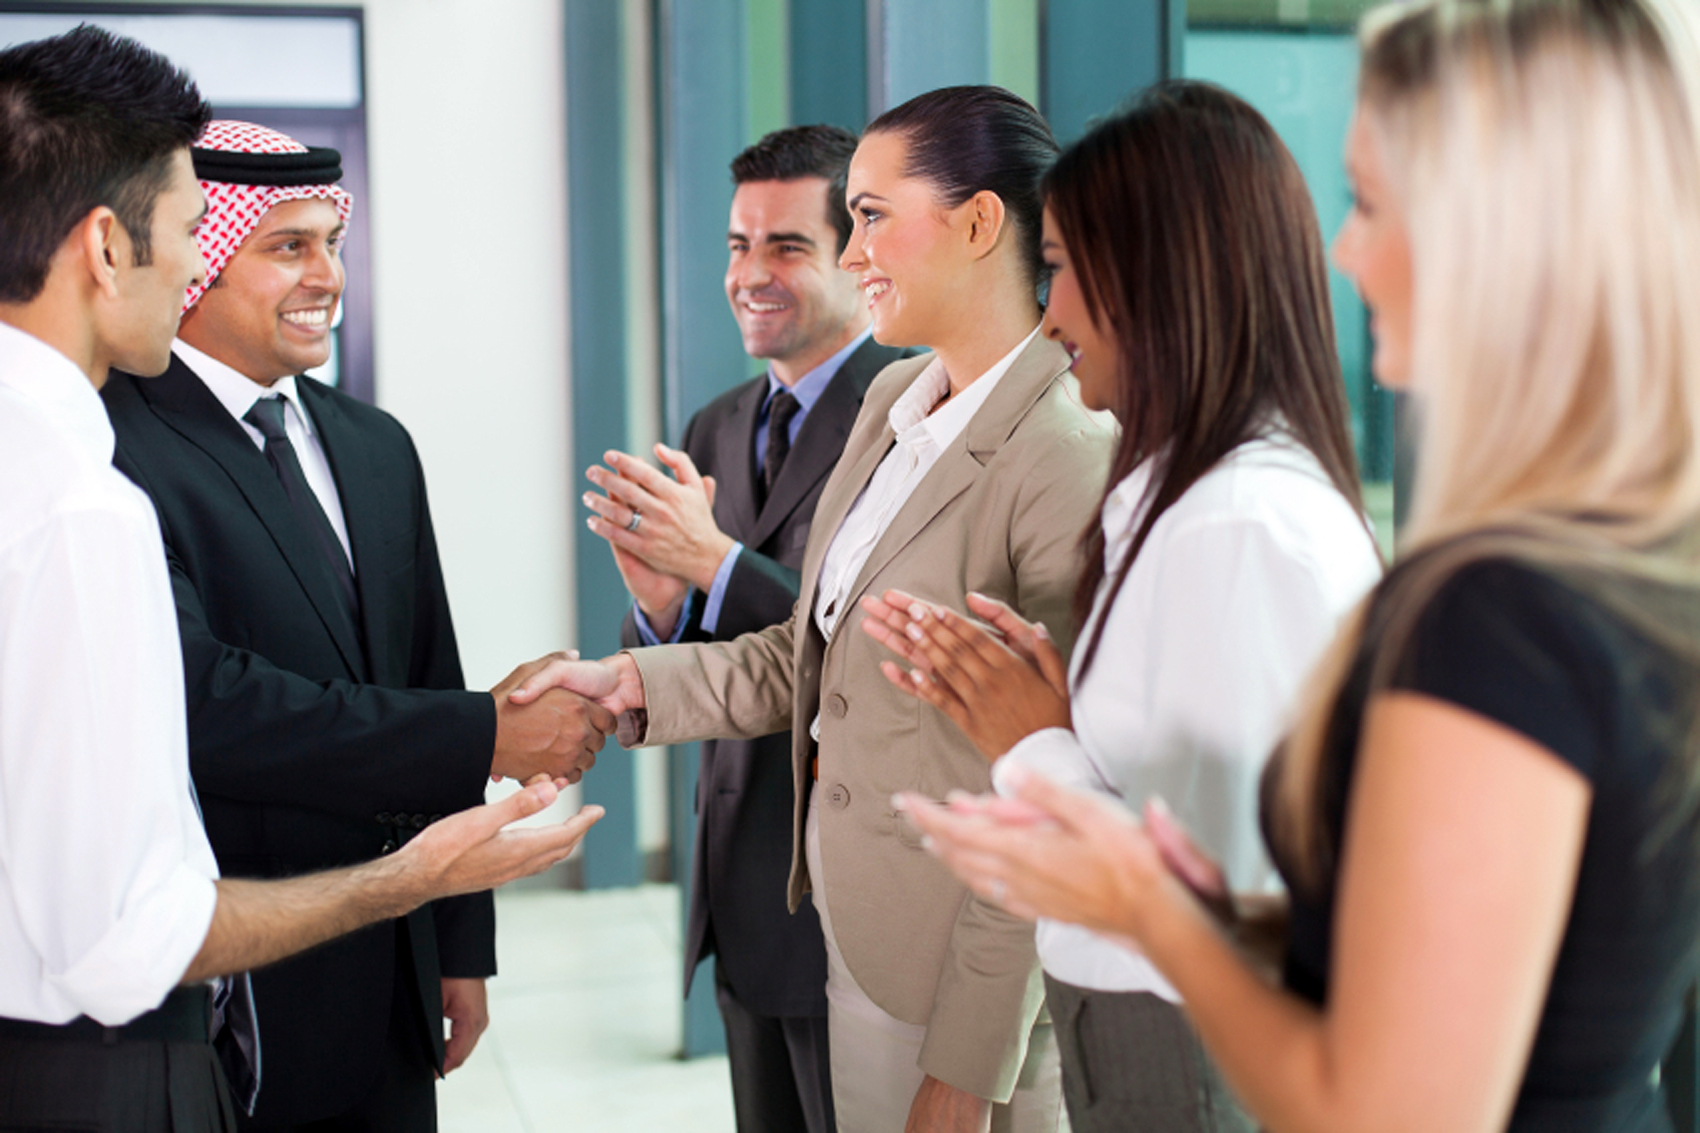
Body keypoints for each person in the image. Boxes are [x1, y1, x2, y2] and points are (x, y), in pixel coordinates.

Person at [897, 0, 1700, 1129]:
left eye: (1370, 202)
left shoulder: (1494, 614)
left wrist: (1142, 895)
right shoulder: (1623, 563)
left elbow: (1386, 1105)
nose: (1340, 250)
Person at [0, 25, 602, 1133]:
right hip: (237, 976)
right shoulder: (107, 455)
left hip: (385, 970)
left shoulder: (375, 443)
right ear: (150, 251)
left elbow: (428, 664)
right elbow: (210, 704)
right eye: (283, 245)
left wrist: (455, 937)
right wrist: (486, 734)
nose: (325, 275)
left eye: (333, 241)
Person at [522, 85, 1115, 1132]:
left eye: (872, 218)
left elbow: (1050, 793)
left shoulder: (1061, 454)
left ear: (980, 224)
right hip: (857, 952)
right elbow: (811, 659)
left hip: (971, 998)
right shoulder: (897, 402)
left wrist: (967, 1064)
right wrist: (628, 680)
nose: (851, 256)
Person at [859, 81, 1381, 1133]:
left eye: (1059, 270)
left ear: (1159, 277)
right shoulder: (1187, 500)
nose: (1047, 314)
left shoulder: (1238, 529)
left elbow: (1218, 904)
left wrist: (1031, 744)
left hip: (1181, 1039)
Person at [582, 123, 909, 1133]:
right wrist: (665, 606)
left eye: (785, 248)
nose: (750, 275)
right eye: (737, 245)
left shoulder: (904, 415)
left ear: (854, 258)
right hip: (736, 886)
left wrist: (714, 564)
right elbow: (707, 643)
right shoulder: (716, 423)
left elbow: (867, 643)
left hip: (842, 889)